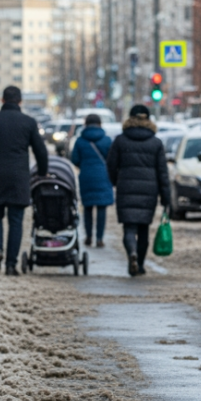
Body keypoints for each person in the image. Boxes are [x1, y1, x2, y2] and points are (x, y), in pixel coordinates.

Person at [0, 86, 48, 275]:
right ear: (20, 101)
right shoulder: (28, 122)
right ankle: (10, 264)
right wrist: (42, 172)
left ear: (2, 100)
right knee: (16, 220)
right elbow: (41, 150)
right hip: (18, 177)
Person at [105, 105, 171, 276]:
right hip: (149, 191)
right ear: (148, 120)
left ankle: (131, 253)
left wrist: (115, 182)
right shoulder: (156, 143)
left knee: (129, 228)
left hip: (126, 188)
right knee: (143, 230)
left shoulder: (120, 140)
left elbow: (111, 166)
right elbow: (163, 173)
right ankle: (140, 265)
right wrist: (166, 198)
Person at [68, 114, 113, 247]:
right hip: (103, 176)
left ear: (85, 124)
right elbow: (112, 159)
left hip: (86, 176)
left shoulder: (80, 141)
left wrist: (84, 165)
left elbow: (74, 159)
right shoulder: (107, 140)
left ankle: (88, 236)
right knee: (101, 208)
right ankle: (99, 238)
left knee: (87, 207)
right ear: (100, 124)